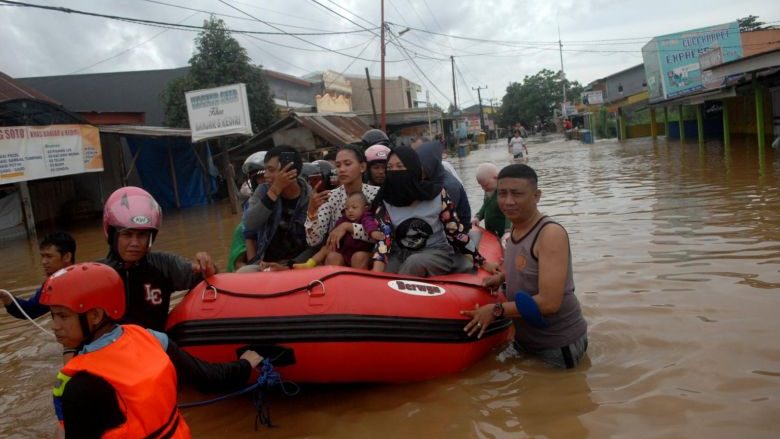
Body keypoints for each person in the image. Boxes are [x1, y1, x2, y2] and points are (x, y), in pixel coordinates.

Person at [43, 262, 264, 438]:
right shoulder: (151, 337)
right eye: (53, 316)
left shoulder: (80, 386)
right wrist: (245, 364)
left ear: (95, 316)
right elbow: (207, 377)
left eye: (63, 316)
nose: (55, 326)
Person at [461, 164, 588, 369]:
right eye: (502, 194)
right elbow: (526, 266)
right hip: (525, 340)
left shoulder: (549, 234)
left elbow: (549, 303)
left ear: (536, 196)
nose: (508, 201)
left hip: (557, 346)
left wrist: (495, 310)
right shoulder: (515, 229)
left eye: (517, 194)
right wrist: (502, 277)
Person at [100, 186, 216, 332]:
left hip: (157, 346)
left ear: (151, 237)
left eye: (142, 235)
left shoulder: (164, 265)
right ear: (112, 235)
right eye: (127, 234)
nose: (135, 243)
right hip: (116, 349)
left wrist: (207, 266)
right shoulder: (97, 275)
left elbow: (203, 276)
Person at [372, 146, 484, 276]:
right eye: (390, 168)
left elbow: (455, 232)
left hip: (436, 252)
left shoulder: (437, 194)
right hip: (401, 253)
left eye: (400, 166)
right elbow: (383, 238)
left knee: (414, 263)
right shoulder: (386, 199)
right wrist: (376, 274)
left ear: (413, 169)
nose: (394, 172)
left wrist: (481, 261)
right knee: (387, 270)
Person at [239, 145, 316, 272]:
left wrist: (289, 266)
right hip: (266, 264)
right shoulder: (263, 190)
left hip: (299, 265)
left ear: (289, 171)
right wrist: (274, 191)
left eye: (271, 170)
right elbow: (249, 223)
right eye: (265, 170)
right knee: (243, 273)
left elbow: (317, 243)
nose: (266, 175)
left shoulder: (310, 197)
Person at [305, 145, 380, 269]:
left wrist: (348, 227)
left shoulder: (376, 194)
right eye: (338, 165)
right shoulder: (331, 196)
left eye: (347, 164)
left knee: (359, 257)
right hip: (339, 253)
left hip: (368, 253)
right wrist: (312, 212)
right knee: (332, 257)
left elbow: (381, 235)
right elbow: (313, 241)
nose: (342, 169)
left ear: (362, 167)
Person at [295, 192, 383, 269]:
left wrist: (373, 232)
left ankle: (359, 283)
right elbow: (335, 231)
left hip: (361, 252)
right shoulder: (344, 218)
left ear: (365, 208)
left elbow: (369, 225)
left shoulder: (366, 216)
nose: (350, 210)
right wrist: (331, 240)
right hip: (344, 252)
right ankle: (309, 264)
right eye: (347, 208)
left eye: (354, 207)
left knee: (358, 257)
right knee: (326, 249)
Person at [2, 231, 75, 319]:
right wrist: (6, 297)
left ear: (67, 257)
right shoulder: (51, 286)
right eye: (42, 256)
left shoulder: (84, 281)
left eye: (49, 256)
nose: (43, 262)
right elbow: (30, 310)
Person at [415, 140, 471, 231]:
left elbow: (448, 216)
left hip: (458, 228)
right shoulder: (430, 177)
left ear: (430, 164)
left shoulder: (448, 185)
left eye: (419, 165)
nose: (415, 168)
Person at [471, 163, 510, 241]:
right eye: (481, 185)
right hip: (490, 232)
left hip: (503, 233)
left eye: (486, 185)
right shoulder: (488, 190)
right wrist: (478, 217)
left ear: (496, 178)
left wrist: (508, 231)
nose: (483, 188)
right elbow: (485, 205)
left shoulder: (505, 192)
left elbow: (509, 213)